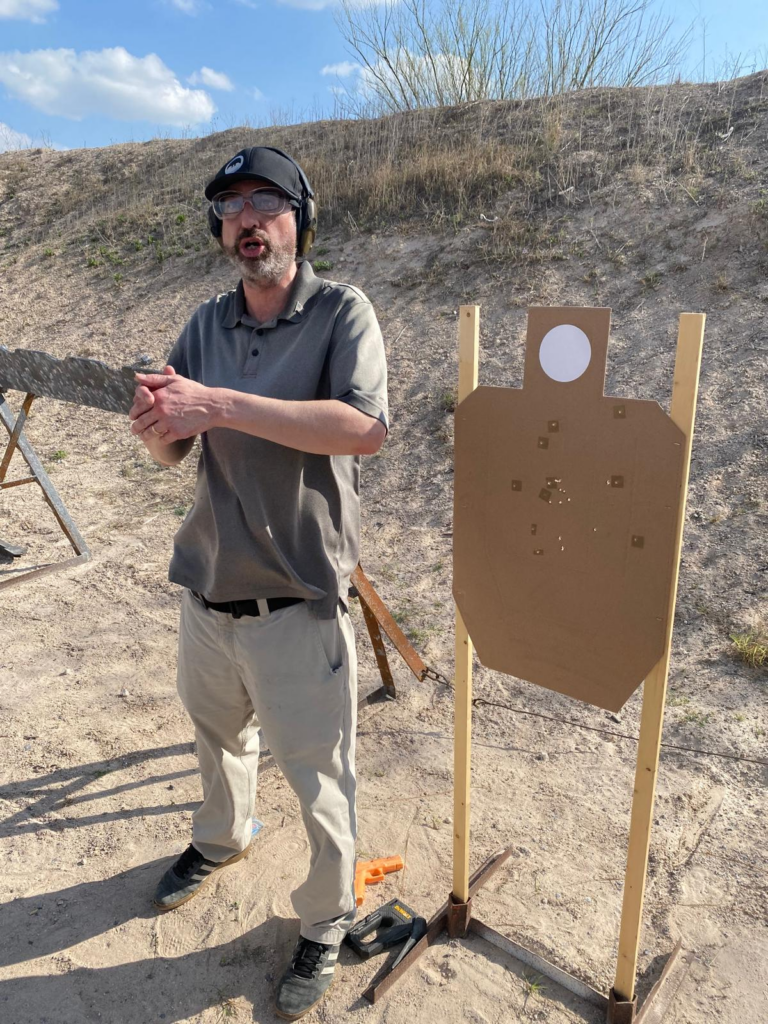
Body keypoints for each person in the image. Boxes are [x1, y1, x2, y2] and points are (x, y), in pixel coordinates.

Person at [128, 145, 388, 1021]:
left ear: (299, 219)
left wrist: (221, 405)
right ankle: (221, 838)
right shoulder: (205, 323)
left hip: (296, 598)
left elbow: (362, 428)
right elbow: (173, 451)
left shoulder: (343, 311)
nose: (246, 219)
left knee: (319, 776)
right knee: (217, 738)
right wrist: (156, 427)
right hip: (208, 586)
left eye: (265, 201)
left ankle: (325, 917)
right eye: (230, 205)